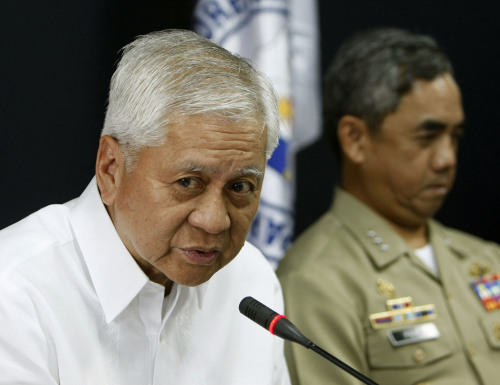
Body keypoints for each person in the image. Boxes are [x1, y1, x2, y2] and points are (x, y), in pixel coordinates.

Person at [0, 29, 291, 385]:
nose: (214, 222)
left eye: (240, 187)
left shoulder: (252, 280)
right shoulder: (13, 293)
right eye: (188, 182)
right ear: (111, 169)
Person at [277, 27, 500, 385]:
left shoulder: (487, 259)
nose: (447, 158)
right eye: (427, 137)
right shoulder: (315, 281)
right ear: (355, 139)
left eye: (454, 137)